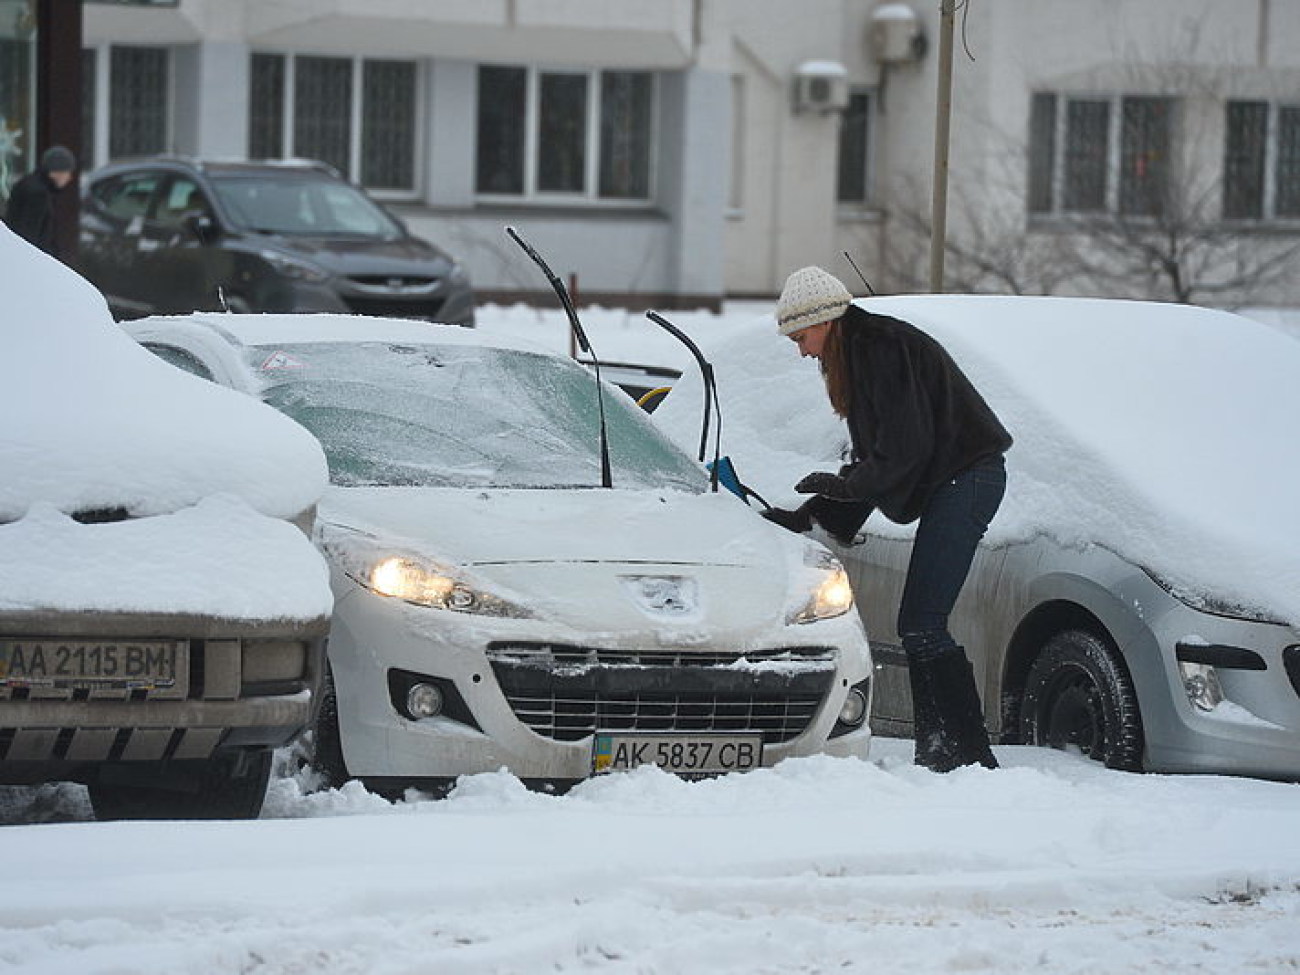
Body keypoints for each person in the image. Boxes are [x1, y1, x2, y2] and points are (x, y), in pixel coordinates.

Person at [762, 266, 1012, 773]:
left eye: (802, 336)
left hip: (968, 477)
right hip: (953, 480)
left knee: (921, 621)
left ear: (825, 320)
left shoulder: (880, 349)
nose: (802, 350)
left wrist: (845, 489)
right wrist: (813, 514)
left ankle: (965, 753)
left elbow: (904, 449)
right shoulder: (858, 352)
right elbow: (880, 457)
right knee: (919, 623)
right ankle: (943, 749)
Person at [4, 145, 77, 258]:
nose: (69, 178)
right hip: (30, 258)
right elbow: (30, 233)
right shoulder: (38, 194)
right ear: (56, 172)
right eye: (67, 172)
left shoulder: (28, 185)